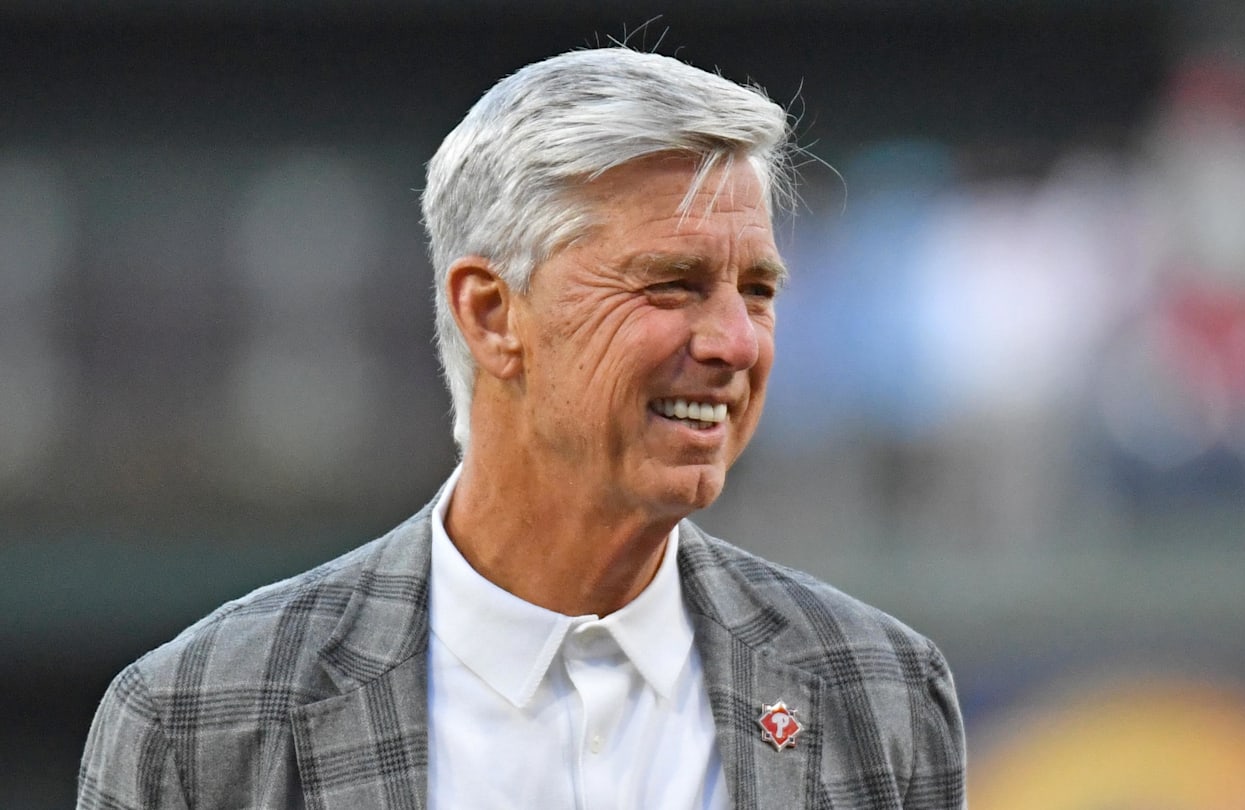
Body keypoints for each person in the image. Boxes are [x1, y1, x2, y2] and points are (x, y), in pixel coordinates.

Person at [78, 47, 966, 809]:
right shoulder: (201, 720)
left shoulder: (880, 691)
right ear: (493, 314)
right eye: (672, 284)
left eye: (758, 291)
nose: (736, 342)